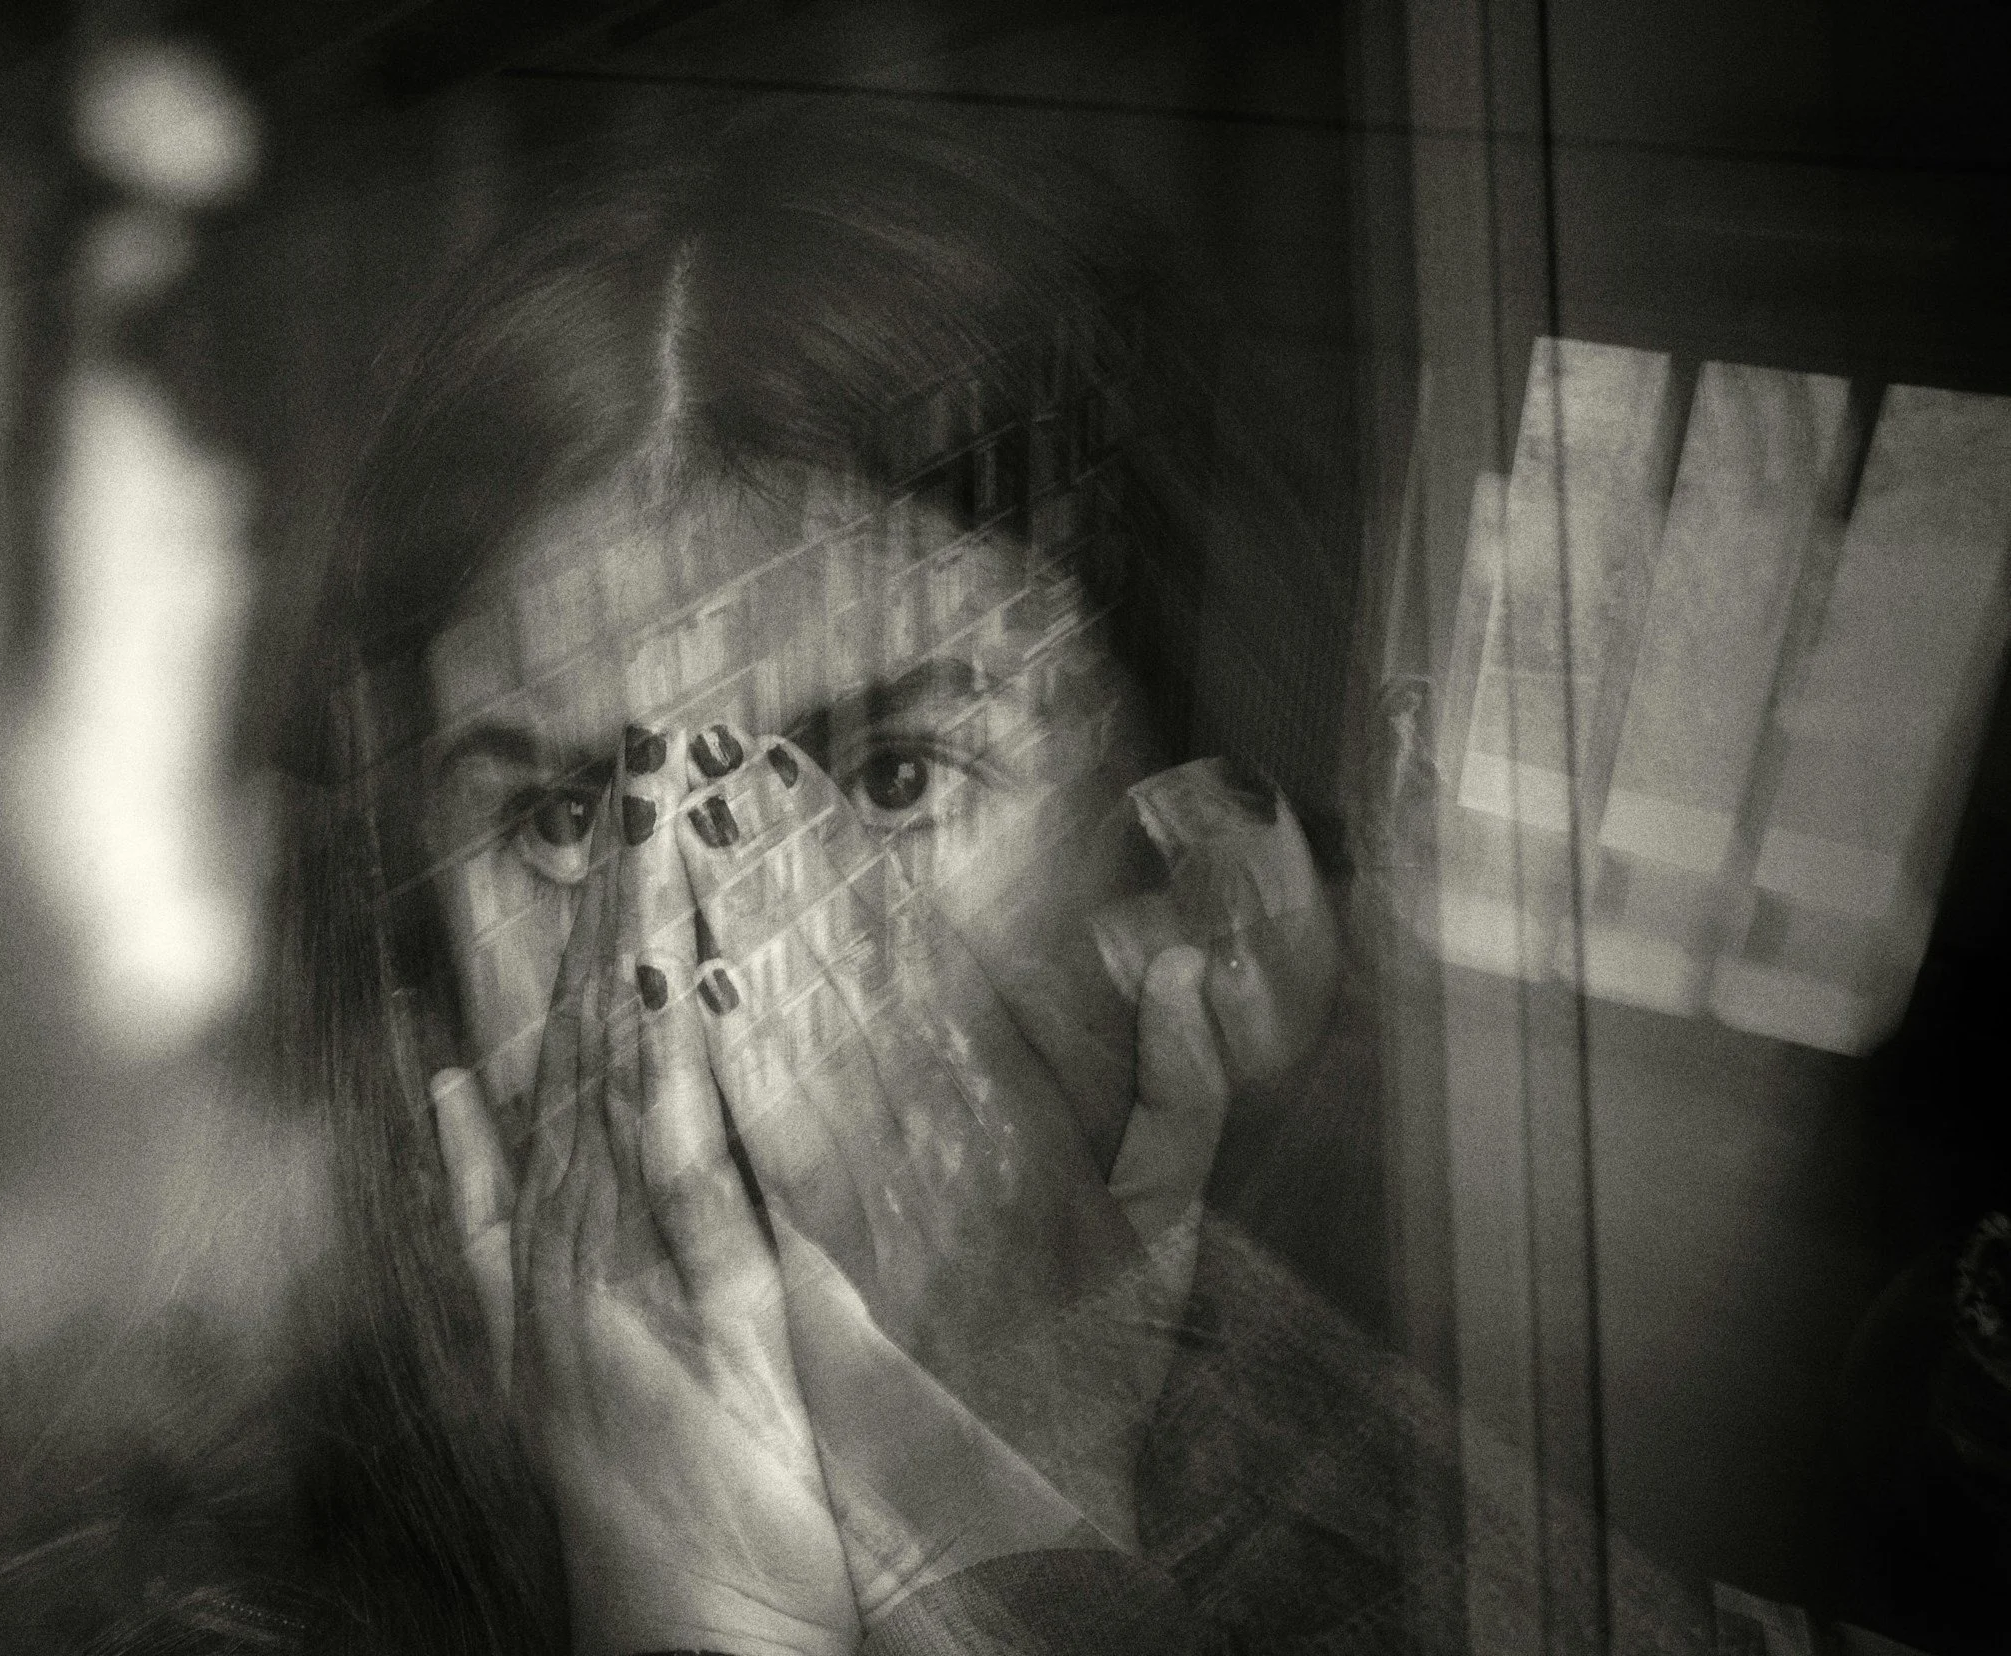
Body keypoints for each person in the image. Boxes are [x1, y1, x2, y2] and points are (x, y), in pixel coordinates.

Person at [261, 100, 1538, 1655]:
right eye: (567, 821)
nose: (693, 929)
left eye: (889, 780)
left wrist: (998, 1518)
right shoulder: (204, 1582)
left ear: (1178, 866)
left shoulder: (1468, 1532)